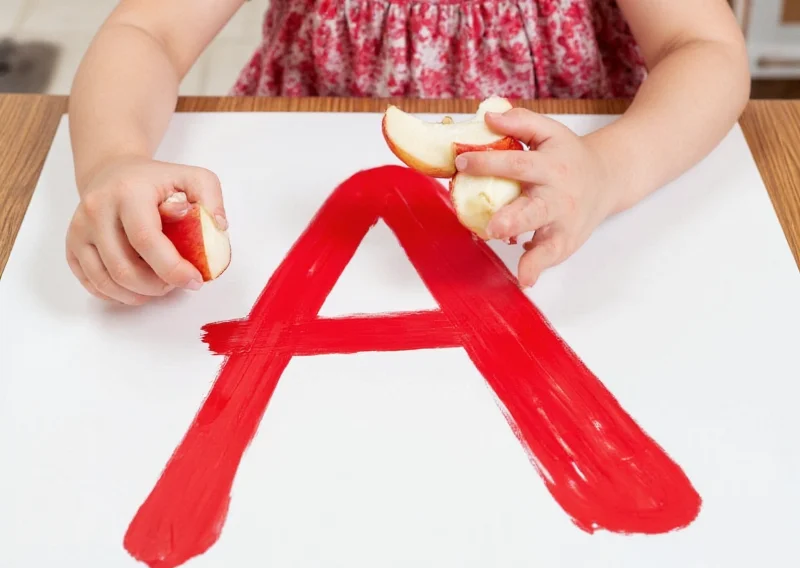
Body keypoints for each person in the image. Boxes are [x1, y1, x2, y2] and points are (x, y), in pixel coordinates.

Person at [64, 0, 750, 304]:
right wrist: (113, 158)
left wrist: (609, 167)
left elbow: (707, 51)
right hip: (312, 206)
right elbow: (146, 29)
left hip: (572, 225)